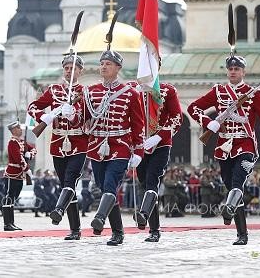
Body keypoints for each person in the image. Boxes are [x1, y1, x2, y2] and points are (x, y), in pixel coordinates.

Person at [188, 53, 260, 245]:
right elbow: (193, 108)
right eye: (230, 69)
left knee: (238, 181)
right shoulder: (218, 91)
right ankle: (240, 231)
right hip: (224, 146)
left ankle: (232, 217)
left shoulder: (254, 93)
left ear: (243, 72)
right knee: (231, 186)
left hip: (246, 145)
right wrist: (208, 122)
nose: (233, 72)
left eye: (236, 69)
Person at [82, 47, 144, 246]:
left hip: (120, 145)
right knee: (104, 188)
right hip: (97, 146)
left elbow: (138, 124)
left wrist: (139, 151)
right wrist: (71, 114)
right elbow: (84, 119)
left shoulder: (130, 93)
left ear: (118, 67)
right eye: (101, 64)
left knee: (110, 184)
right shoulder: (91, 92)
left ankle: (99, 219)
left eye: (108, 64)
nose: (103, 67)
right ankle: (118, 232)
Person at [28, 54, 88, 240]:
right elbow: (32, 106)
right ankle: (75, 230)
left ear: (80, 71)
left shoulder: (85, 91)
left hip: (79, 143)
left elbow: (88, 117)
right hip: (58, 144)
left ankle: (59, 210)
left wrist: (73, 116)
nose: (69, 71)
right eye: (67, 68)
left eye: (73, 68)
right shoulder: (53, 90)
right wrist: (43, 117)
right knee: (65, 186)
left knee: (70, 180)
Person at [134, 76, 183, 242]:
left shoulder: (167, 90)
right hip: (139, 144)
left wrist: (159, 136)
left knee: (152, 179)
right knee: (143, 183)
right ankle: (150, 223)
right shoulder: (133, 89)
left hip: (160, 144)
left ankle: (149, 222)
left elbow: (177, 117)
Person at [2, 121, 36, 231]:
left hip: (19, 175)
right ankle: (7, 223)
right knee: (9, 197)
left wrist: (29, 154)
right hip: (12, 174)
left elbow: (33, 149)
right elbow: (18, 159)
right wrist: (27, 169)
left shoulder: (21, 141)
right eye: (18, 128)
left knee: (14, 197)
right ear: (14, 130)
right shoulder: (12, 142)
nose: (21, 130)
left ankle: (11, 223)